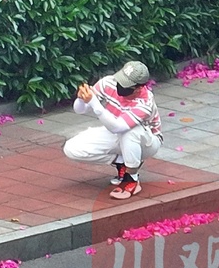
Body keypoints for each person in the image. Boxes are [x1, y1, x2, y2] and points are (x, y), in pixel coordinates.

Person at [62, 60, 163, 199]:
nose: (119, 86)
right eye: (120, 81)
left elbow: (118, 127)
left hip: (147, 141)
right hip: (117, 133)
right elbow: (80, 110)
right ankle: (121, 162)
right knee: (72, 148)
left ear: (139, 88)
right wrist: (81, 99)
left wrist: (94, 103)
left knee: (130, 131)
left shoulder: (144, 103)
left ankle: (132, 178)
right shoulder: (108, 83)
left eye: (125, 85)